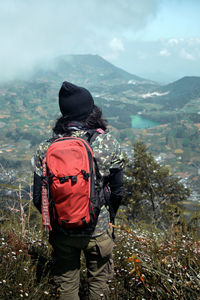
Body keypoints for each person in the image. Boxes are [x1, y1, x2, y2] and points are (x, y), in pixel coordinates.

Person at [32, 81, 124, 300]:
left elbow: (38, 197)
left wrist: (60, 216)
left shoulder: (46, 147)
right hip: (97, 229)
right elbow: (118, 191)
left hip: (62, 231)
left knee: (67, 288)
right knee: (99, 286)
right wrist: (109, 216)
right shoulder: (107, 143)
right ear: (91, 110)